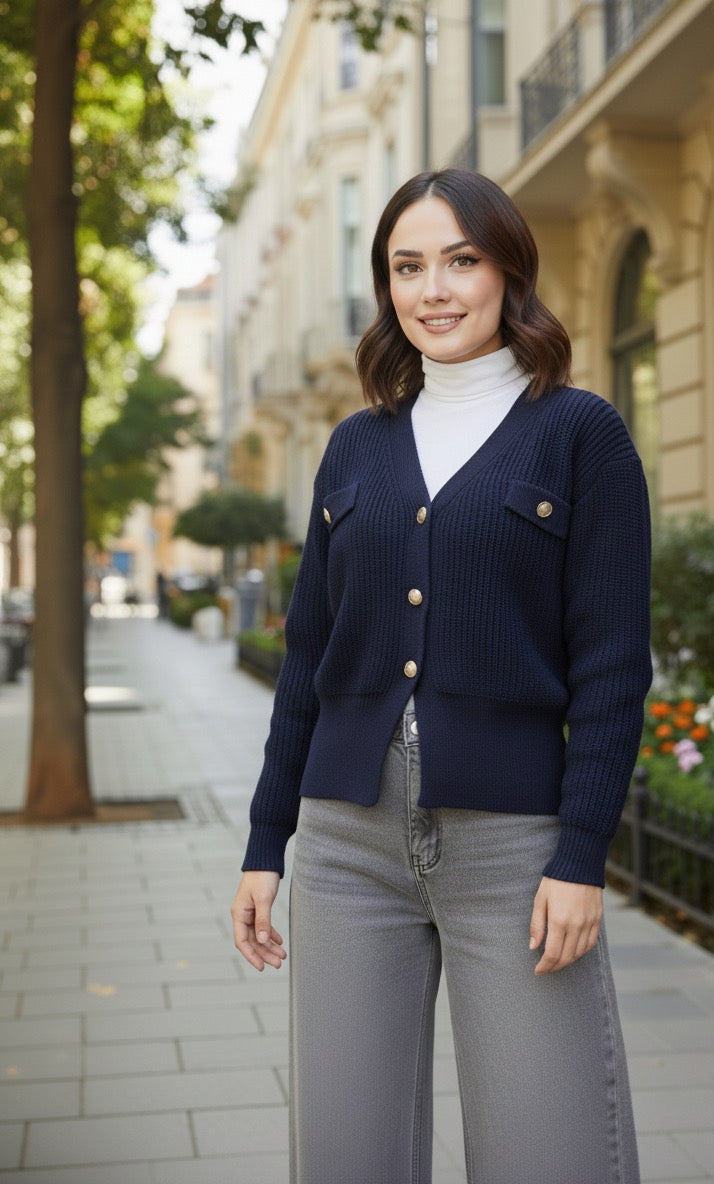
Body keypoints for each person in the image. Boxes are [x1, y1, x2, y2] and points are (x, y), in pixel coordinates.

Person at [231, 168, 652, 1184]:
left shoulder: (579, 432)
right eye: (407, 266)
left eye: (461, 259)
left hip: (513, 848)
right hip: (346, 843)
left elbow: (611, 665)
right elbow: (309, 658)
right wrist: (264, 839)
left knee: (550, 1149)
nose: (434, 288)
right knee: (345, 1152)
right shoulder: (354, 448)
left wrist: (581, 854)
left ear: (508, 267)